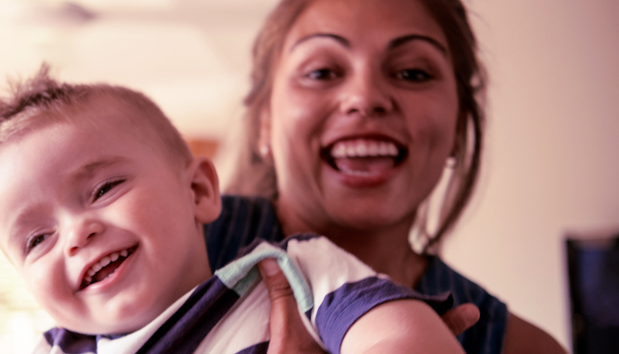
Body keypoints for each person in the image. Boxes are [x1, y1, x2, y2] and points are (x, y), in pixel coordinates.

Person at [0, 67, 465, 353]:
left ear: (200, 192)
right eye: (36, 239)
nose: (77, 234)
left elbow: (403, 342)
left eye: (103, 189)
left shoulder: (289, 274)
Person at [210, 0, 568, 353]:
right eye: (321, 72)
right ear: (264, 123)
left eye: (412, 73)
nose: (365, 98)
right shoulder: (171, 247)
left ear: (459, 126)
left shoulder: (525, 348)